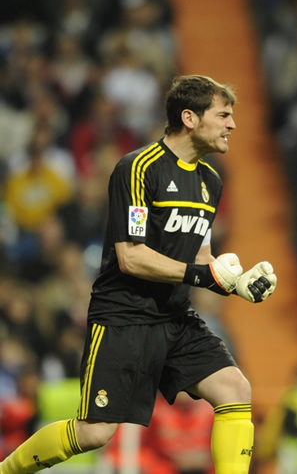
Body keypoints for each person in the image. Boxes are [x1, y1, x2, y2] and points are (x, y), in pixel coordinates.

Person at [0, 74, 278, 474]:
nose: (232, 124)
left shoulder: (211, 181)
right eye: (224, 114)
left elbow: (201, 257)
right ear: (190, 117)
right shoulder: (137, 168)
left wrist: (236, 283)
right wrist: (204, 276)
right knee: (96, 433)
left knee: (235, 389)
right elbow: (131, 257)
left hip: (175, 318)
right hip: (124, 317)